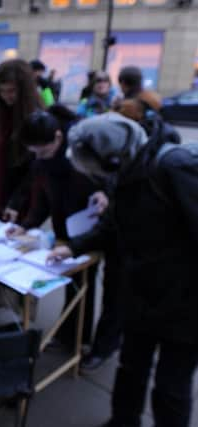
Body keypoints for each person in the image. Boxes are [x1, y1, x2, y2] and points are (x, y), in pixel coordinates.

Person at [49, 112, 198, 427]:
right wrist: (73, 247)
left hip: (185, 302)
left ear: (114, 159)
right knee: (130, 368)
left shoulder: (173, 168)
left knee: (171, 386)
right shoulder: (128, 173)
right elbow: (113, 227)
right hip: (143, 292)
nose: (96, 179)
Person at [7, 108, 121, 362]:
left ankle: (93, 344)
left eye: (42, 151)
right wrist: (27, 224)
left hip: (99, 229)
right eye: (34, 151)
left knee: (101, 288)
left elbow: (114, 185)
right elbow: (46, 198)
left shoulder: (84, 153)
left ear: (58, 138)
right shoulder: (44, 160)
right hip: (68, 229)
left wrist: (107, 197)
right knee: (76, 285)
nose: (38, 156)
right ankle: (71, 337)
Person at [0, 58, 42, 221]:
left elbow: (35, 168)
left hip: (16, 198)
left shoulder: (35, 118)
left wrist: (16, 202)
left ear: (24, 89)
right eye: (2, 90)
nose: (7, 96)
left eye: (12, 91)